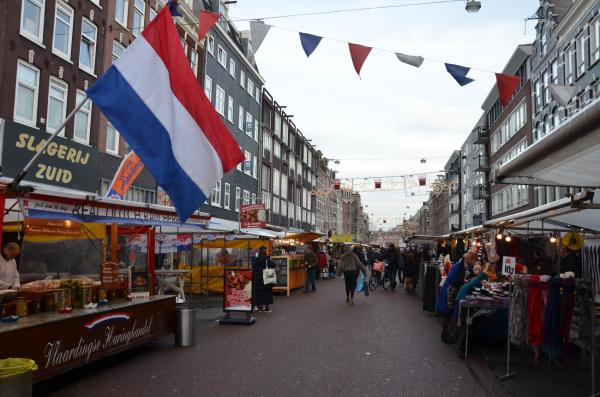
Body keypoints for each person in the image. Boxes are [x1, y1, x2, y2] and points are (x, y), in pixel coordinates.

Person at [436, 251, 478, 344]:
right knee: (447, 313)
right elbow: (451, 278)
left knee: (448, 313)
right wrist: (463, 281)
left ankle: (447, 334)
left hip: (453, 291)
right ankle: (445, 334)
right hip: (449, 291)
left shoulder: (464, 266)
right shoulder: (458, 266)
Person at [252, 246, 273, 312]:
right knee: (267, 293)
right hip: (266, 278)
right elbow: (273, 264)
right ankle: (267, 308)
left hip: (258, 279)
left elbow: (253, 266)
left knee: (259, 293)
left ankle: (260, 307)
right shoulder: (267, 259)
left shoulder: (257, 259)